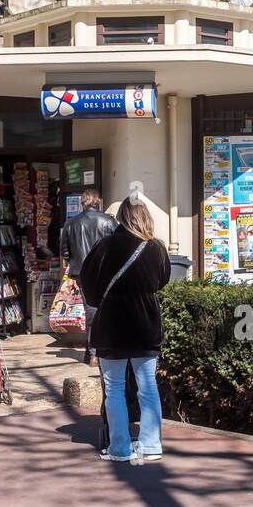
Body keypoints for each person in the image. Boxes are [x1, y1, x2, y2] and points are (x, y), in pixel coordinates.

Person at [79, 182, 171, 462]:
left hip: (112, 327)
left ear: (120, 218)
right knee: (148, 386)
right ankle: (151, 444)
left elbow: (89, 284)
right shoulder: (156, 248)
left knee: (115, 388)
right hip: (146, 325)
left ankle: (119, 447)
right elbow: (162, 280)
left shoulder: (104, 247)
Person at [59, 187, 117, 365]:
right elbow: (118, 247)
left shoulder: (71, 223)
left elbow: (64, 251)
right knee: (102, 310)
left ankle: (92, 352)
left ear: (82, 203)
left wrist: (74, 263)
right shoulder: (108, 221)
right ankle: (96, 352)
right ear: (98, 202)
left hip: (82, 273)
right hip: (105, 272)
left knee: (91, 309)